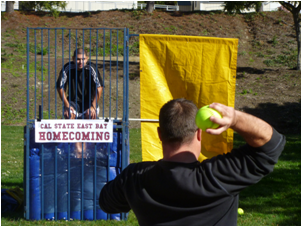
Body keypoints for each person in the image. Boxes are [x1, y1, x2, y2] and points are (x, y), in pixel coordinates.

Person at [99, 98, 286, 226]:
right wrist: (235, 118)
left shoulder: (135, 178)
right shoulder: (218, 177)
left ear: (159, 134)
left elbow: (107, 203)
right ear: (199, 133)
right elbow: (271, 143)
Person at [56, 48, 104, 158]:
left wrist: (93, 106)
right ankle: (78, 151)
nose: (80, 62)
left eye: (82, 59)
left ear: (87, 59)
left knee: (90, 116)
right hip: (73, 102)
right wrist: (67, 106)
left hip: (89, 102)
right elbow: (60, 87)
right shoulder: (68, 67)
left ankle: (88, 151)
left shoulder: (91, 68)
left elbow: (99, 87)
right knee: (70, 116)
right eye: (77, 59)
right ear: (73, 59)